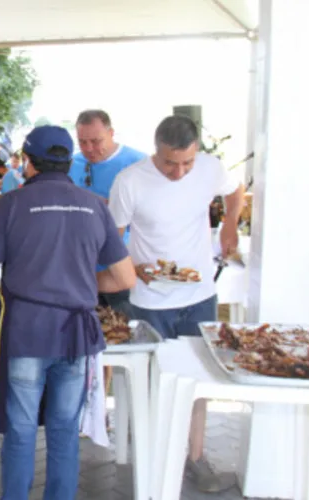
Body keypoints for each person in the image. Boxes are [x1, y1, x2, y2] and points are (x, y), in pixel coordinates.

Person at [0, 125, 136, 499]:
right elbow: (125, 278)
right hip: (76, 333)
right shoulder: (93, 204)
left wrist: (2, 294)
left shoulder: (11, 204)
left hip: (27, 330)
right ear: (68, 160)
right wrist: (81, 287)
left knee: (22, 428)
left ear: (28, 162)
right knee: (63, 429)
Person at [108, 115, 244, 492]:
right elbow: (111, 237)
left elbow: (236, 191)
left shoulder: (211, 168)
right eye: (171, 163)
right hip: (150, 299)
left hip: (199, 294)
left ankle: (195, 457)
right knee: (155, 380)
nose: (180, 171)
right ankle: (155, 457)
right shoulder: (131, 181)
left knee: (198, 380)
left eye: (187, 162)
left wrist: (230, 223)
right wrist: (133, 268)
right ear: (156, 150)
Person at [70, 110, 146, 314]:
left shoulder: (139, 164)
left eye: (96, 141)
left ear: (111, 133)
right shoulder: (71, 164)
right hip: (80, 267)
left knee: (121, 327)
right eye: (82, 142)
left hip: (121, 267)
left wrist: (109, 204)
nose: (89, 149)